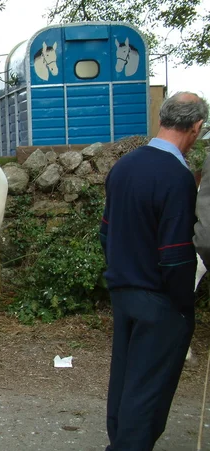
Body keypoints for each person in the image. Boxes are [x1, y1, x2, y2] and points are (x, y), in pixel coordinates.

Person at [99, 92, 208, 451]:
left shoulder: (123, 167)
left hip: (123, 291)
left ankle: (119, 440)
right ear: (196, 127)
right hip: (159, 299)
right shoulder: (177, 177)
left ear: (162, 119)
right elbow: (175, 255)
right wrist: (182, 306)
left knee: (126, 380)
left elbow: (105, 231)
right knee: (149, 392)